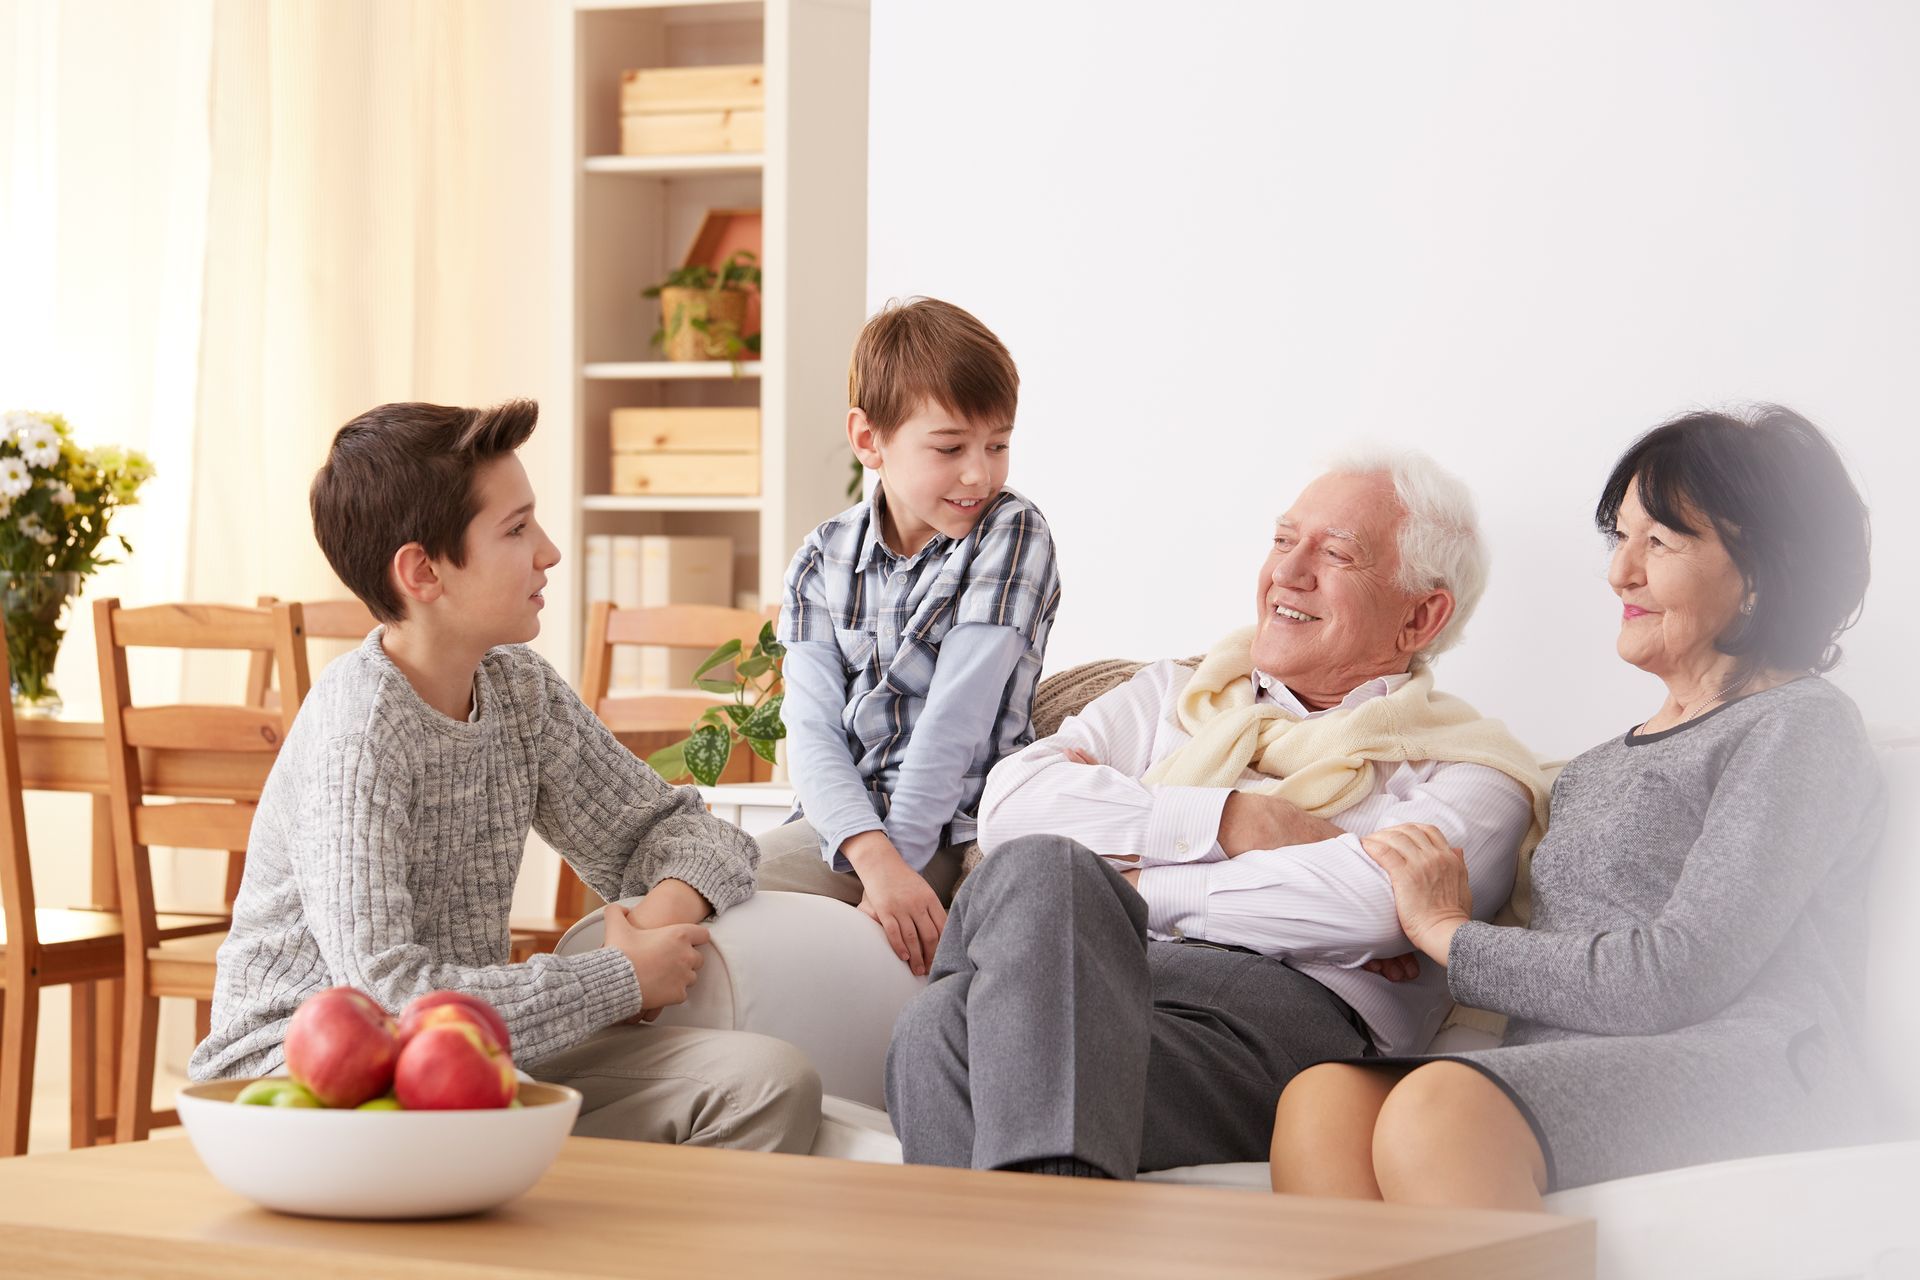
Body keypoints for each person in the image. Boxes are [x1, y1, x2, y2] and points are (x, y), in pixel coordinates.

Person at [1270, 406, 1882, 1209]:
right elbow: (1535, 946)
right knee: (1323, 1101)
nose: (1620, 573)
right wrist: (1397, 940)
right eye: (1617, 539)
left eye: (1658, 542)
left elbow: (1676, 973)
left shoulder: (1798, 727)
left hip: (1755, 1063)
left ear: (1762, 572)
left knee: (1440, 1109)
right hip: (1577, 1062)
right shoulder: (1594, 770)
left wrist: (1450, 938)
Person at [885, 449, 1551, 1178]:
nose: (1287, 573)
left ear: (1421, 614)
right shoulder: (1171, 694)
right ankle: (1053, 1230)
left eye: (1335, 554)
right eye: (1283, 539)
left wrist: (1126, 890)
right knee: (949, 1012)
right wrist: (1233, 821)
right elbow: (1012, 807)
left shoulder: (1475, 771)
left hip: (1280, 1040)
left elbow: (1374, 908)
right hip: (1091, 985)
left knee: (969, 997)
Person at [190, 399, 821, 1152]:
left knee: (765, 1084)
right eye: (516, 529)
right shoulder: (357, 734)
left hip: (459, 1061)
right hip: (305, 1088)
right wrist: (619, 978)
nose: (548, 551)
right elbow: (389, 1002)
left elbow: (676, 830)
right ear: (423, 571)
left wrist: (661, 914)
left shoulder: (518, 690)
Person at [754, 298, 1061, 977]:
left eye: (998, 444)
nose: (980, 473)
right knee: (699, 897)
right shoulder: (819, 557)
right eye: (950, 448)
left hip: (948, 827)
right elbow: (811, 733)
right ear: (870, 441)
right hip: (844, 830)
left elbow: (954, 725)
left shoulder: (1012, 534)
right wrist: (873, 861)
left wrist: (900, 869)